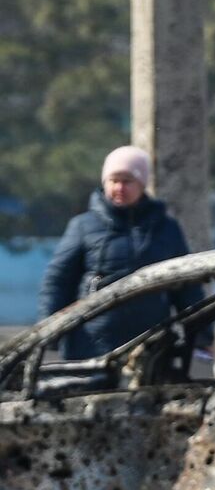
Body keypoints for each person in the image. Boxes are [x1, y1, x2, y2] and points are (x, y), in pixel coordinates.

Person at [40, 145, 197, 360]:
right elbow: (58, 281)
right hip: (91, 346)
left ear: (142, 185)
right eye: (114, 181)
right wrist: (48, 334)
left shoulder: (166, 228)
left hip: (150, 347)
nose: (119, 188)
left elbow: (187, 285)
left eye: (127, 181)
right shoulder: (83, 226)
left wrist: (202, 337)